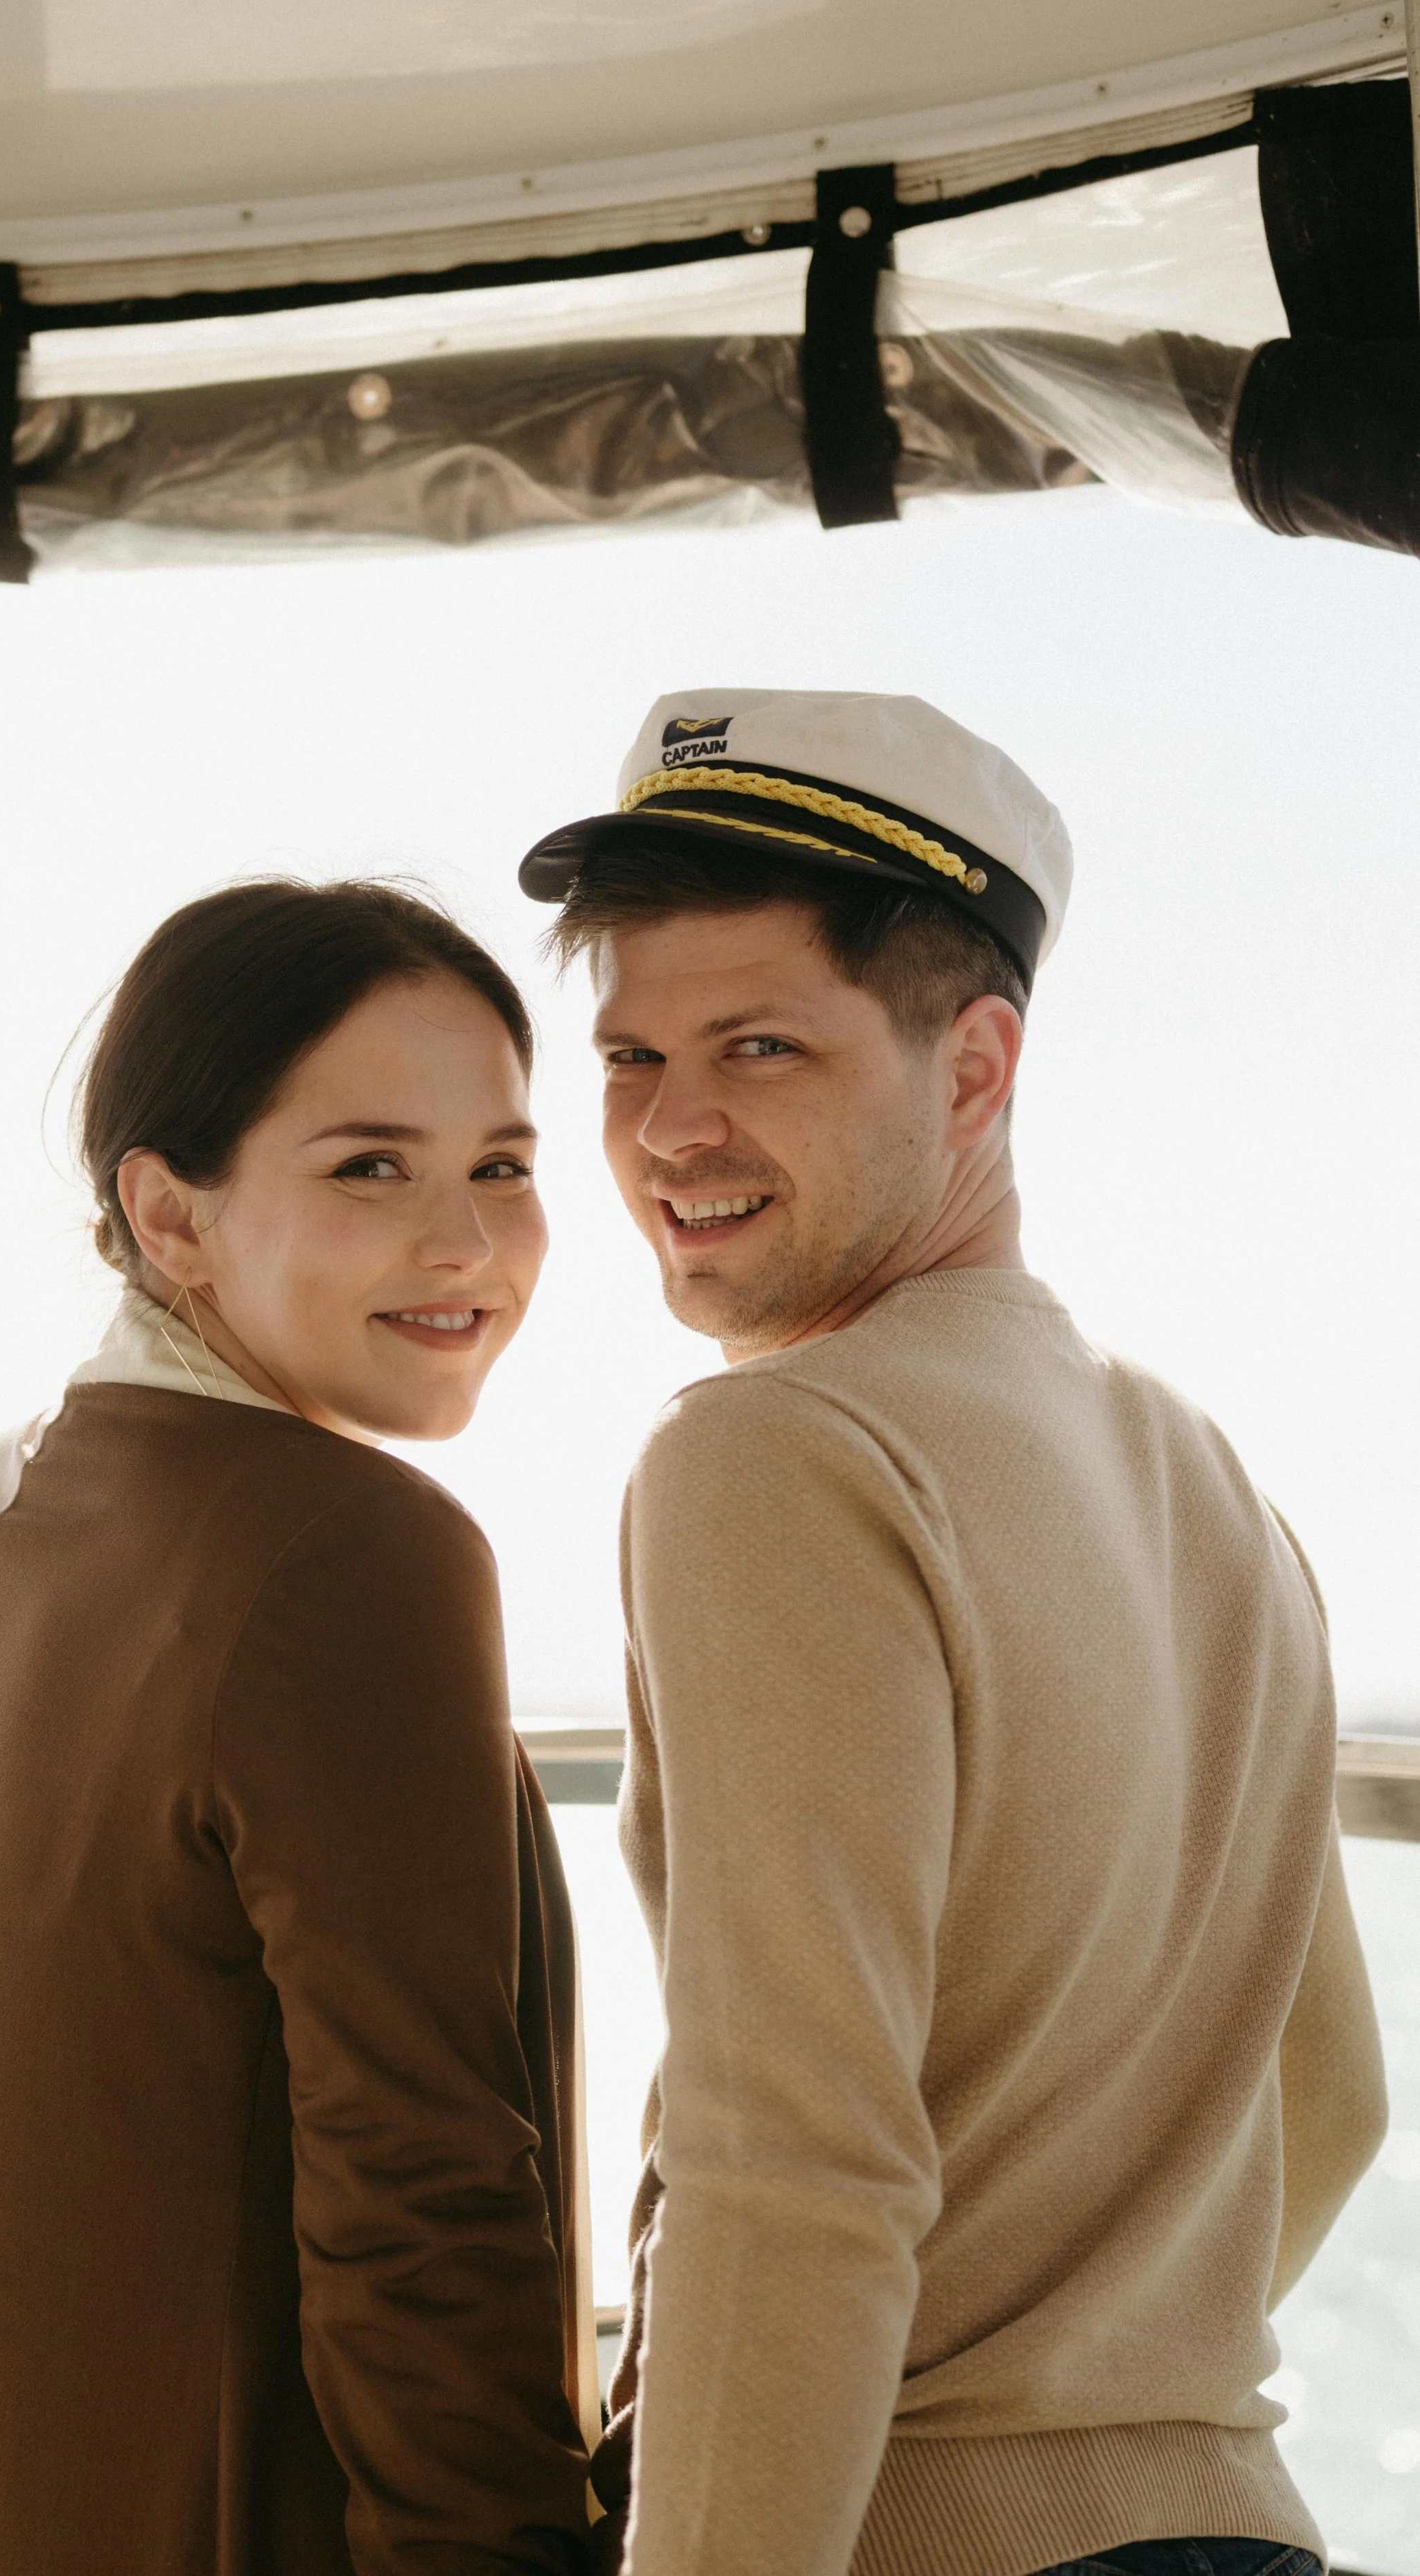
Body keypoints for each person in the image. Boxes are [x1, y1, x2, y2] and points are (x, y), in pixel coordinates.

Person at [517, 690, 1387, 2576]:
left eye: (763, 1045)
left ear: (974, 1067)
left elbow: (789, 2168)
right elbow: (1331, 2092)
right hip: (1235, 2533)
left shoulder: (773, 1454)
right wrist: (1100, 2367)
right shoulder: (1208, 1476)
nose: (671, 1127)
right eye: (629, 1054)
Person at [0, 881, 596, 2576]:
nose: (466, 1244)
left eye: (505, 1165)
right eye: (368, 1165)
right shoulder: (349, 1547)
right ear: (169, 1214)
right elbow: (425, 2197)